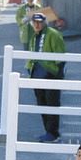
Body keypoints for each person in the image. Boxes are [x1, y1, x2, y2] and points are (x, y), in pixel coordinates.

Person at [22, 13, 66, 142]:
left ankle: (53, 133)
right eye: (34, 22)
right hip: (37, 74)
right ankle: (48, 132)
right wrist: (29, 68)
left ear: (44, 23)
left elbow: (61, 56)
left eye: (39, 22)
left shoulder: (53, 34)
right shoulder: (34, 37)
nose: (37, 24)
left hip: (50, 74)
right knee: (42, 103)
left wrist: (57, 73)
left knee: (52, 103)